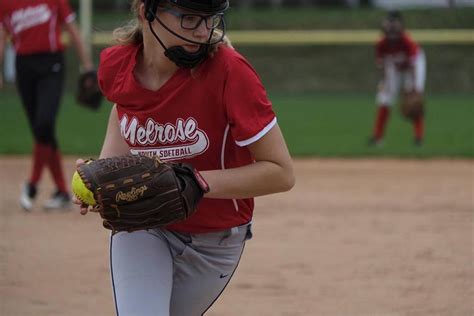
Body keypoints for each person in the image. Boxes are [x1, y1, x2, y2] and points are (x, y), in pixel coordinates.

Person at [74, 0, 295, 315]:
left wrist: (196, 182)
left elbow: (281, 172)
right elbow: (124, 109)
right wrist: (105, 170)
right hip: (145, 224)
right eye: (190, 18)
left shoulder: (229, 72)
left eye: (209, 19)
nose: (203, 32)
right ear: (145, 11)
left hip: (216, 240)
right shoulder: (117, 66)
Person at [0, 0, 94, 210]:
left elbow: (72, 29)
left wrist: (87, 66)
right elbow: (2, 36)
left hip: (52, 63)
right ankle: (61, 192)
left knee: (44, 122)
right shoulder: (5, 3)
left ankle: (32, 184)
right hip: (24, 66)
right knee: (41, 129)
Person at [369, 10, 426, 147]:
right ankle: (377, 137)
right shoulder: (382, 43)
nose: (392, 27)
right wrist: (384, 83)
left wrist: (414, 89)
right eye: (389, 24)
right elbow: (382, 65)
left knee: (414, 101)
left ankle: (418, 138)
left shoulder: (407, 41)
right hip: (394, 68)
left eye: (394, 24)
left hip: (414, 66)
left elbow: (413, 65)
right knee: (384, 98)